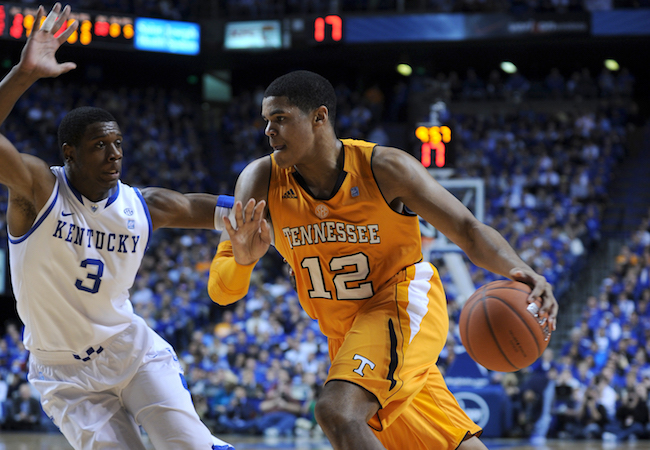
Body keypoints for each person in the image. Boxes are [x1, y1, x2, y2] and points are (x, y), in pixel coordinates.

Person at [207, 69, 559, 449]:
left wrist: (519, 269)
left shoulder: (385, 168)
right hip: (347, 335)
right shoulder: (260, 179)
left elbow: (467, 229)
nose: (269, 132)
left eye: (280, 119)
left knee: (338, 411)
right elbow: (221, 292)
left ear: (319, 117)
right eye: (266, 121)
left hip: (402, 304)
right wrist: (242, 261)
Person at [0, 4, 234, 450]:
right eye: (99, 146)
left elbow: (212, 209)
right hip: (64, 372)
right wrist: (24, 74)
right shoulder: (37, 190)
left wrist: (268, 215)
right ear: (69, 152)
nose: (114, 154)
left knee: (196, 447)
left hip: (132, 350)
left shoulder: (143, 204)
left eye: (118, 144)